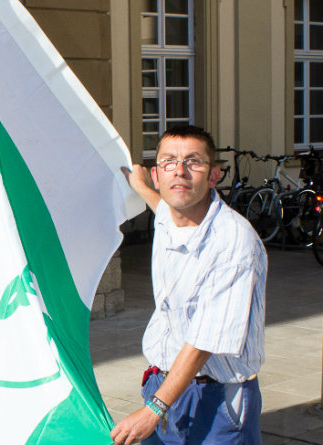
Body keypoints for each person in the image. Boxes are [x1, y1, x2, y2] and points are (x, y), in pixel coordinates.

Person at [112, 125, 267, 445]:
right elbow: (162, 207)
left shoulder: (234, 242)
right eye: (169, 162)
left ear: (213, 176)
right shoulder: (172, 216)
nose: (179, 171)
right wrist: (138, 186)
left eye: (193, 161)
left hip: (216, 398)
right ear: (158, 176)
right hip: (163, 385)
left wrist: (153, 409)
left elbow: (203, 341)